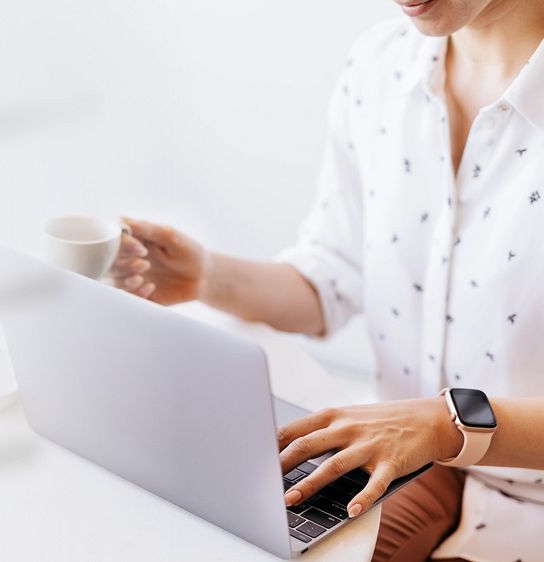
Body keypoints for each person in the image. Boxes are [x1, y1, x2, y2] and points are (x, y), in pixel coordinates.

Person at [111, 1, 544, 560]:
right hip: (406, 468)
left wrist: (446, 423)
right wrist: (207, 277)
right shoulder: (379, 69)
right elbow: (332, 276)